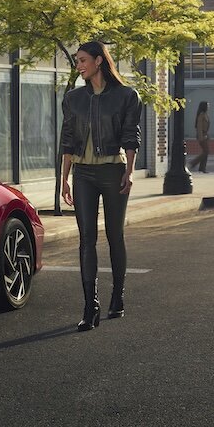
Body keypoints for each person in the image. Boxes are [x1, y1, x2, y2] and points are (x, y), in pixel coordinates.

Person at [59, 41, 142, 332]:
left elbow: (131, 137)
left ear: (97, 60)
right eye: (76, 61)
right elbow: (67, 140)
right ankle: (89, 307)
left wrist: (129, 172)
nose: (78, 65)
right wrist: (64, 179)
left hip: (112, 171)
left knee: (114, 235)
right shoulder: (73, 98)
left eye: (82, 60)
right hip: (83, 173)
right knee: (86, 239)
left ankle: (117, 297)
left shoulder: (126, 96)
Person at [189, 101, 211, 173]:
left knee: (205, 152)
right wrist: (201, 137)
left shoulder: (206, 114)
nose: (208, 107)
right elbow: (199, 126)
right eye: (207, 105)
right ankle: (193, 163)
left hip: (205, 134)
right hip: (201, 135)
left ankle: (202, 168)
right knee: (206, 151)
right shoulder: (201, 115)